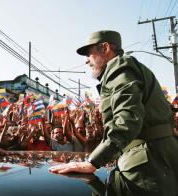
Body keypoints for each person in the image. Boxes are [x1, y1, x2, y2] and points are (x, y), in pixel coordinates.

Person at [49, 30, 178, 195]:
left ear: (105, 48)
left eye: (89, 54)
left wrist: (93, 161)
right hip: (158, 158)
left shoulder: (119, 66)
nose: (86, 61)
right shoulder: (129, 67)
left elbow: (127, 119)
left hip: (146, 165)